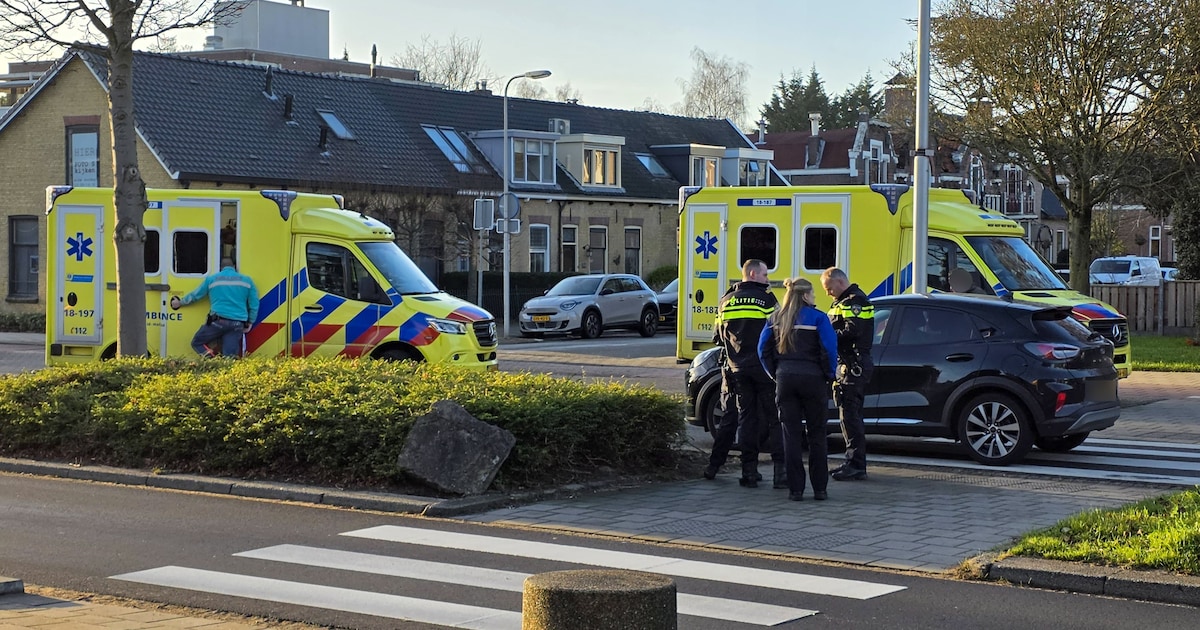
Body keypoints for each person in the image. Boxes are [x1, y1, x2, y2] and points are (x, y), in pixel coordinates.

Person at [702, 259, 781, 488]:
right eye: (765, 275)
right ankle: (781, 473)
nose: (768, 279)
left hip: (735, 369)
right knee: (774, 419)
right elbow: (778, 332)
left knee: (743, 418)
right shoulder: (767, 300)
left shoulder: (725, 301)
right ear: (754, 274)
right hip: (764, 369)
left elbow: (717, 336)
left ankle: (747, 471)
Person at [759, 277, 838, 501]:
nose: (815, 298)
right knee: (817, 435)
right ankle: (820, 489)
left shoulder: (775, 319)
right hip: (813, 380)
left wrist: (775, 374)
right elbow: (830, 349)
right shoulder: (818, 318)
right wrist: (829, 374)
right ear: (805, 295)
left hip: (785, 380)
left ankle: (795, 490)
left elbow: (762, 349)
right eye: (813, 294)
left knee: (790, 436)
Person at [820, 267, 874, 481]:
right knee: (848, 417)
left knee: (850, 417)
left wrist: (825, 336)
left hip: (854, 365)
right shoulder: (843, 302)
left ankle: (856, 464)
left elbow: (852, 330)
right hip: (849, 365)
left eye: (829, 288)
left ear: (839, 282)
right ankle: (852, 461)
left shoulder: (854, 301)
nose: (827, 293)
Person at [170, 257, 259, 358]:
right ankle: (227, 370)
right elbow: (254, 303)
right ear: (234, 267)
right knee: (229, 357)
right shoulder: (247, 281)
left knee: (197, 342)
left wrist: (180, 302)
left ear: (220, 268)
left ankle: (212, 361)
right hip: (237, 323)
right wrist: (250, 321)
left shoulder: (212, 279)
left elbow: (195, 295)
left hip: (218, 322)